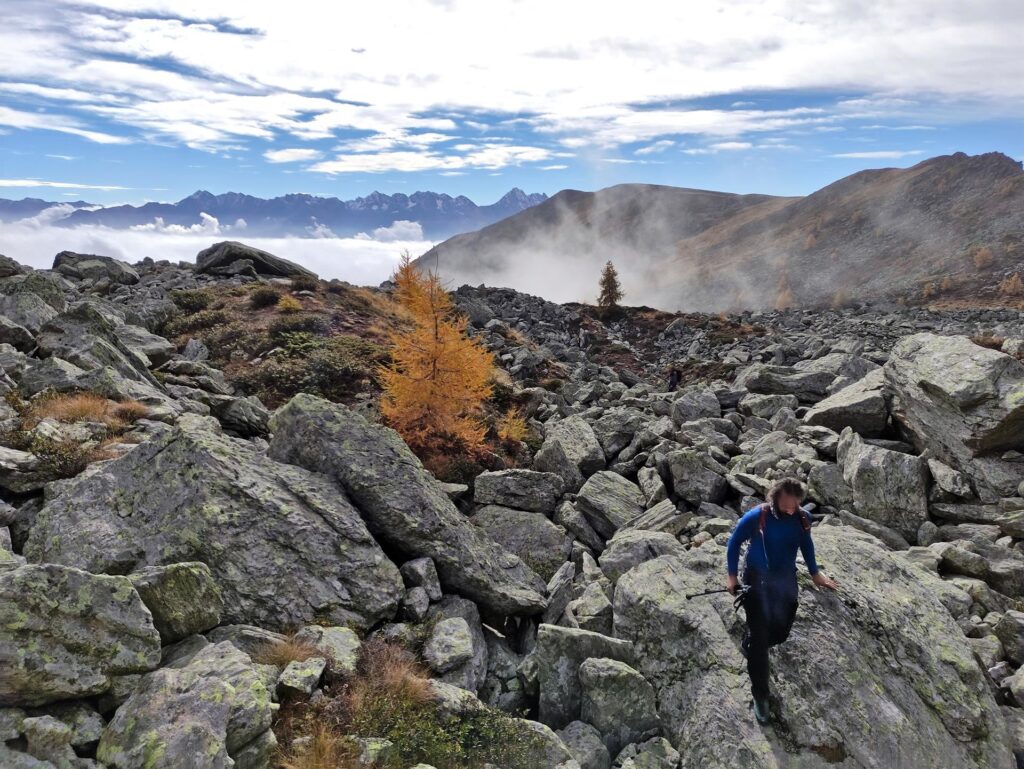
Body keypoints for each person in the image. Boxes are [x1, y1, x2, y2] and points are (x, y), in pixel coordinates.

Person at [725, 477, 839, 724]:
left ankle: (752, 643)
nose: (790, 508)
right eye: (786, 502)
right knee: (760, 639)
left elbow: (806, 544)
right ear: (775, 497)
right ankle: (760, 696)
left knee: (781, 631)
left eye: (795, 503)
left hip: (785, 579)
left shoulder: (802, 519)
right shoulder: (757, 517)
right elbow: (734, 543)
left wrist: (815, 572)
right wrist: (732, 576)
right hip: (756, 580)